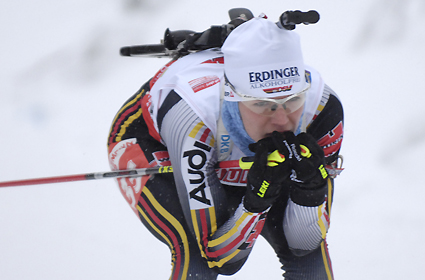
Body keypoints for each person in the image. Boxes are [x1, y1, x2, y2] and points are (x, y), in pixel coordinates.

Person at [107, 14, 343, 280]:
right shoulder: (194, 116)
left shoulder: (322, 107)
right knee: (194, 250)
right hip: (150, 142)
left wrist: (309, 193)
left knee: (310, 256)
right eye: (261, 104)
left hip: (226, 154)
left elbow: (304, 245)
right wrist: (257, 202)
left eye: (293, 100)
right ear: (233, 96)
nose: (281, 120)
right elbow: (222, 260)